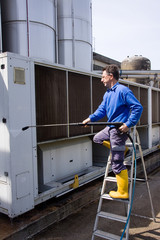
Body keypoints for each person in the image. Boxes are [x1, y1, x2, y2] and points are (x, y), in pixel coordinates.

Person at [83, 64, 143, 199]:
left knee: (116, 163)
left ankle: (123, 192)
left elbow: (138, 107)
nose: (101, 79)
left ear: (110, 76)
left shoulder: (123, 91)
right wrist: (90, 119)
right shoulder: (108, 94)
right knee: (97, 138)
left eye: (103, 77)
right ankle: (123, 150)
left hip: (118, 130)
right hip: (109, 128)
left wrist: (128, 124)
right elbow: (102, 110)